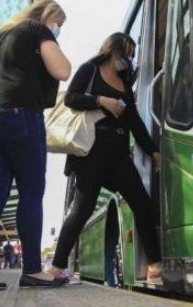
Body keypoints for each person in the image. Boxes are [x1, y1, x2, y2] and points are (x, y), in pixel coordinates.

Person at [0, 0, 71, 291]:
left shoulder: (3, 37)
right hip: (19, 114)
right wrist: (52, 40)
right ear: (49, 17)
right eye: (59, 24)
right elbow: (62, 70)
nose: (59, 30)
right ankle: (33, 270)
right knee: (31, 192)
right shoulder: (37, 29)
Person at [48, 33, 163, 285]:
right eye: (126, 53)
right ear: (112, 50)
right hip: (91, 150)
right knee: (82, 208)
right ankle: (56, 267)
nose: (128, 60)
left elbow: (133, 120)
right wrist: (101, 101)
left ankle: (155, 266)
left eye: (131, 56)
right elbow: (71, 98)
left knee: (142, 203)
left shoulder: (124, 81)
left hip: (119, 153)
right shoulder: (90, 69)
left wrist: (152, 149)